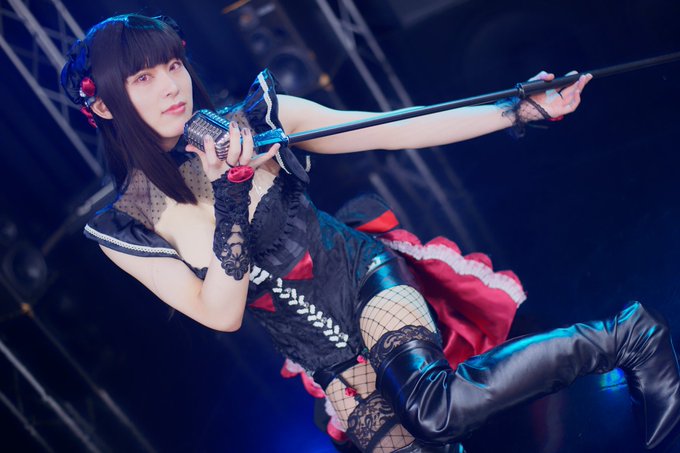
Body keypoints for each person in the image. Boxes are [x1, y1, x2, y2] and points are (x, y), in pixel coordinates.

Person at [60, 14, 679, 453]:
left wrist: (517, 109)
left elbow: (393, 126)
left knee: (436, 410)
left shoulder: (259, 119)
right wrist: (229, 191)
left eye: (172, 64)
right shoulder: (126, 228)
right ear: (105, 106)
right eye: (143, 78)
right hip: (326, 358)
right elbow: (220, 313)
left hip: (365, 282)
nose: (172, 85)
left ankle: (627, 335)